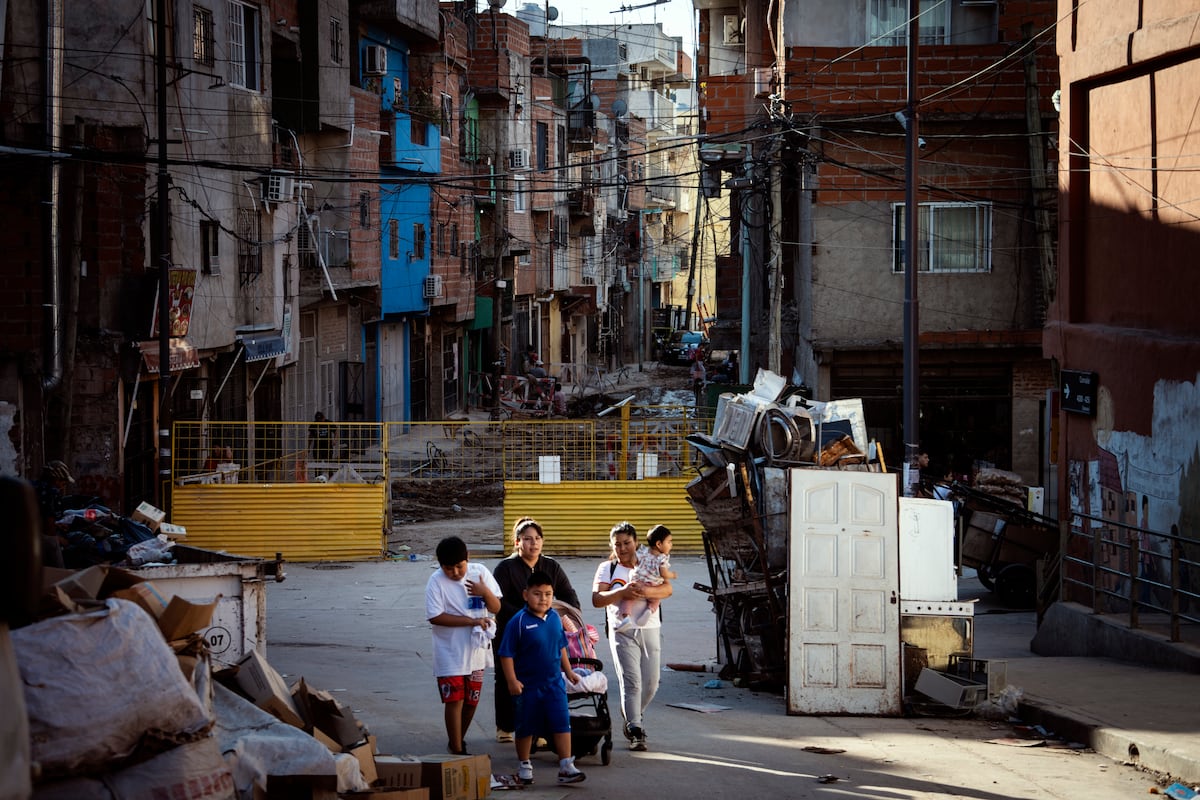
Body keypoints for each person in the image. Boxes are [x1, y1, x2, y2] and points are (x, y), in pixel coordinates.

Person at [492, 517, 580, 743]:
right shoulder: (506, 568)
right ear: (517, 542)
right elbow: (497, 602)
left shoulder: (551, 566)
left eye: (538, 538)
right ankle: (505, 726)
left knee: (540, 679)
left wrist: (567, 616)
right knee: (506, 679)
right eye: (528, 539)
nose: (534, 544)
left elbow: (568, 595)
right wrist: (528, 616)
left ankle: (539, 730)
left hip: (542, 636)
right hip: (511, 632)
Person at [496, 571, 586, 786]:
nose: (543, 598)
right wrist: (511, 681)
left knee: (562, 722)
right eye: (537, 594)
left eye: (548, 594)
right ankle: (524, 764)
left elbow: (561, 645)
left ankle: (566, 765)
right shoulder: (517, 622)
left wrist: (569, 671)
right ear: (526, 594)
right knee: (526, 726)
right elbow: (506, 654)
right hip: (528, 687)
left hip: (554, 683)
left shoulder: (555, 617)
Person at [592, 521, 672, 752]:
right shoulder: (607, 568)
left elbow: (667, 589)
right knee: (632, 681)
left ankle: (631, 712)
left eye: (627, 543)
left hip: (650, 628)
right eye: (617, 544)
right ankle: (636, 728)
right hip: (621, 631)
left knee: (651, 683)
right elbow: (597, 600)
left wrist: (645, 592)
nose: (622, 548)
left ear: (636, 543)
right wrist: (621, 592)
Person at [425, 535, 502, 755]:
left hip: (476, 651)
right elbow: (435, 616)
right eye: (449, 569)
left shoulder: (480, 573)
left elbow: (496, 607)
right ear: (440, 565)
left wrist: (484, 592)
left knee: (471, 701)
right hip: (449, 652)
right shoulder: (436, 581)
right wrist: (471, 621)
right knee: (455, 700)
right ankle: (457, 749)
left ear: (468, 558)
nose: (456, 573)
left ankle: (457, 739)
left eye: (459, 566)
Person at [614, 524, 677, 632]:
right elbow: (663, 573)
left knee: (628, 599)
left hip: (638, 581)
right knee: (656, 599)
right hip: (653, 584)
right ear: (659, 544)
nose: (671, 545)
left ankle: (626, 618)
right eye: (669, 542)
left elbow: (634, 561)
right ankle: (649, 610)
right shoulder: (662, 558)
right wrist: (672, 575)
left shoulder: (643, 551)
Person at [32, 460, 74, 567]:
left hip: (24, 533)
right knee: (57, 564)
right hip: (39, 536)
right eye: (63, 483)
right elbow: (49, 528)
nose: (63, 487)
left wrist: (56, 524)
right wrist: (58, 539)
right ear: (56, 480)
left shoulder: (34, 486)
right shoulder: (51, 492)